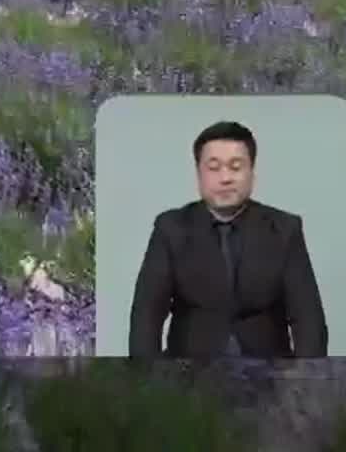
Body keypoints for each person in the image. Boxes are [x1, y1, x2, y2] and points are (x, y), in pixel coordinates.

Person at [129, 120, 326, 359]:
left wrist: (308, 382)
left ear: (252, 173)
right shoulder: (171, 228)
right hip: (190, 375)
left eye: (235, 167)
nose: (225, 178)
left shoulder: (284, 229)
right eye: (214, 168)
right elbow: (147, 315)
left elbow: (308, 318)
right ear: (199, 173)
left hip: (270, 375)